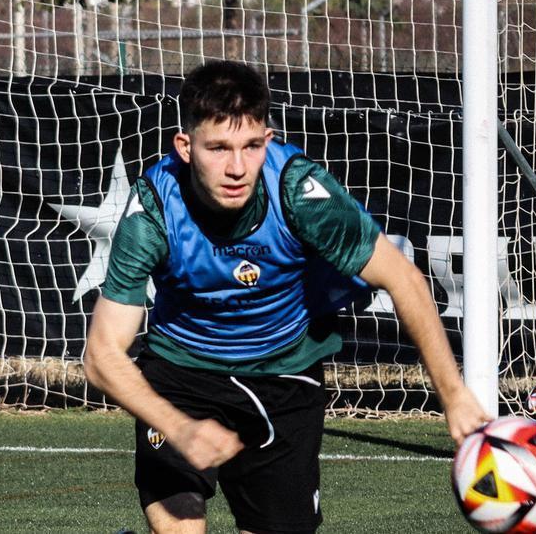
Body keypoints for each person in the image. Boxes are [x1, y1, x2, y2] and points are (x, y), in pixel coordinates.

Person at [82, 61, 490, 533]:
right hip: (182, 374)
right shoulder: (153, 207)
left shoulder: (300, 192)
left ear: (268, 140)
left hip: (287, 373)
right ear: (185, 147)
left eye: (251, 146)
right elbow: (101, 355)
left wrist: (455, 395)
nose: (237, 167)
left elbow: (405, 280)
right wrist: (178, 426)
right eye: (218, 148)